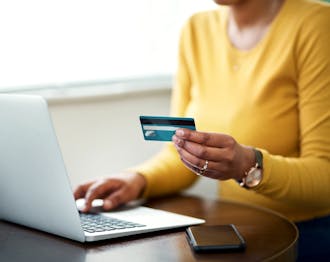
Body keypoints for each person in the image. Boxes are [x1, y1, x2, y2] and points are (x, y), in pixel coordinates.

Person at [74, 0, 330, 260]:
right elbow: (179, 153)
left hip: (302, 236)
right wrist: (139, 180)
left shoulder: (317, 25)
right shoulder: (196, 30)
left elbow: (325, 174)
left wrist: (249, 165)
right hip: (233, 231)